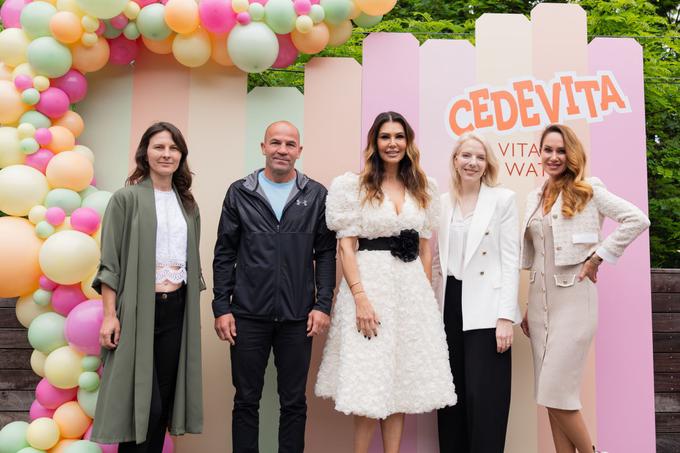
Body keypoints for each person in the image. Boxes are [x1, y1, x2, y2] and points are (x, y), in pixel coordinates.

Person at [315, 111, 456, 453]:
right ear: (374, 143)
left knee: (398, 383)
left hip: (409, 293)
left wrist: (421, 298)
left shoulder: (424, 188)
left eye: (399, 136)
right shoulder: (353, 186)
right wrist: (360, 298)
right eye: (385, 137)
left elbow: (425, 248)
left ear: (408, 143)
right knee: (368, 383)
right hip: (368, 286)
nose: (392, 143)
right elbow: (346, 247)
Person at [520, 124, 650, 453]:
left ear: (572, 155)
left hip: (575, 301)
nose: (553, 156)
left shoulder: (588, 189)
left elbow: (637, 219)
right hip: (538, 307)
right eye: (547, 150)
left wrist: (598, 258)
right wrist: (526, 307)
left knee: (555, 390)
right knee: (550, 396)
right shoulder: (536, 196)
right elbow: (539, 256)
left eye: (560, 150)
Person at [212, 121, 336, 453]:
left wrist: (322, 305)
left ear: (299, 150)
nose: (282, 149)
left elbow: (325, 253)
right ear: (263, 147)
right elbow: (224, 253)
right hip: (247, 315)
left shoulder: (316, 194)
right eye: (276, 143)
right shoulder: (240, 192)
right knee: (246, 400)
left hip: (298, 318)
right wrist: (221, 307)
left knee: (294, 402)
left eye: (290, 144)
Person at [92, 122, 205, 452]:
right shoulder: (125, 200)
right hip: (138, 309)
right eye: (159, 147)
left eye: (173, 148)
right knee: (142, 405)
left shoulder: (188, 205)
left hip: (177, 309)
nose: (166, 154)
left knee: (162, 408)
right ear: (145, 153)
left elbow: (190, 261)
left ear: (181, 155)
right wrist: (110, 316)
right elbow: (109, 263)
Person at [432, 132, 521, 453]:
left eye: (479, 157)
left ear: (487, 165)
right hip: (449, 304)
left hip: (487, 307)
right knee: (450, 396)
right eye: (466, 156)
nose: (472, 162)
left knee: (486, 399)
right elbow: (437, 264)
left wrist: (505, 317)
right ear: (455, 161)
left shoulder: (503, 200)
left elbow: (511, 260)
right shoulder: (440, 203)